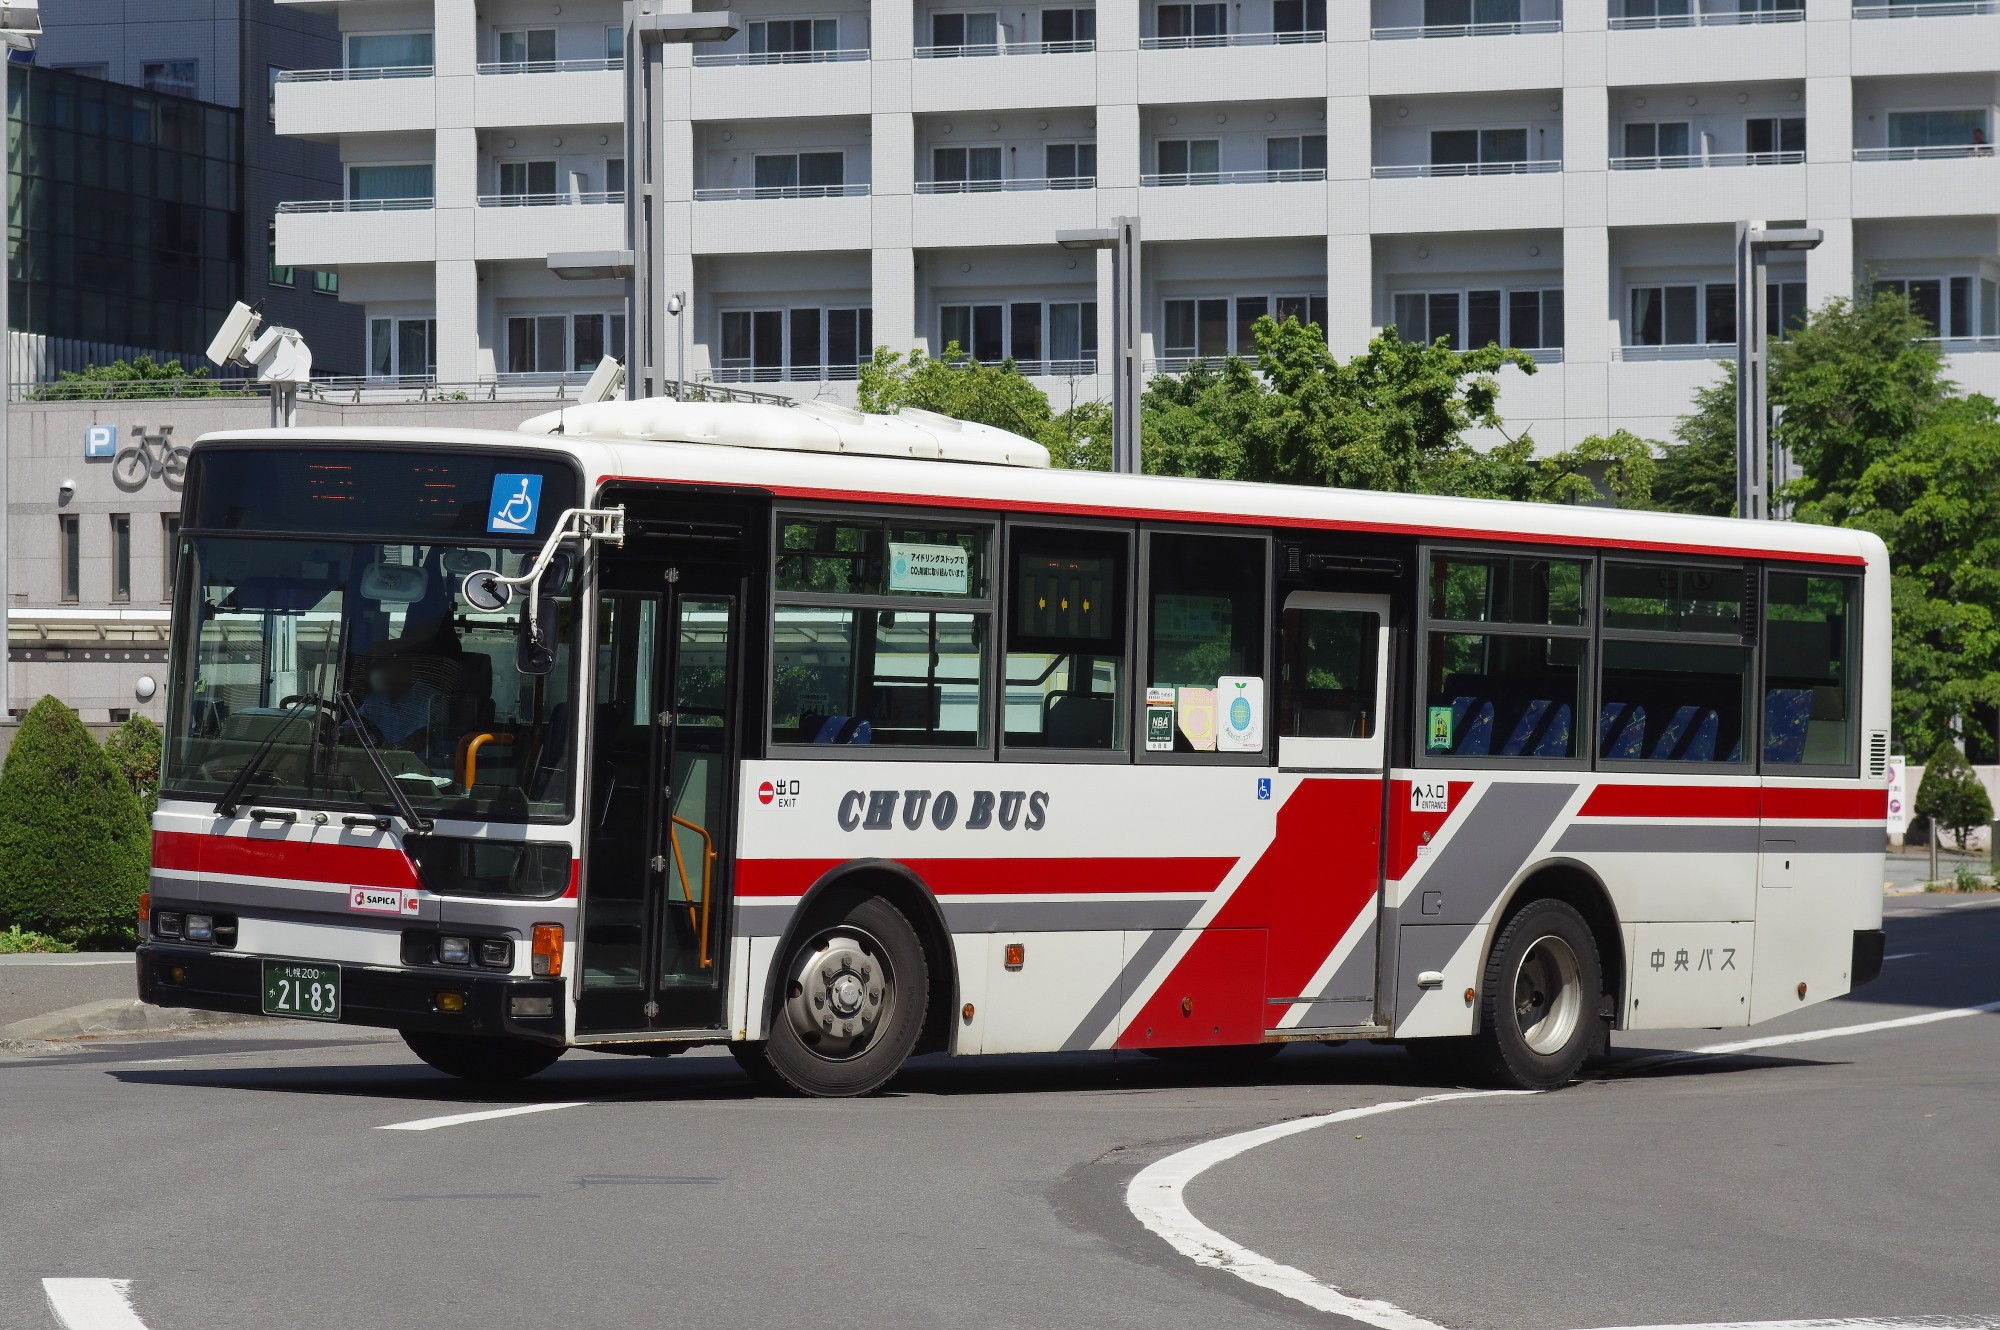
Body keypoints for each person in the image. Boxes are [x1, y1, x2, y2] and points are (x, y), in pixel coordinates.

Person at [356, 648, 445, 752]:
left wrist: (391, 751)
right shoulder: (374, 699)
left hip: (420, 761)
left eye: (386, 667)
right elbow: (356, 724)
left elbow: (427, 735)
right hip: (378, 759)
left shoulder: (432, 699)